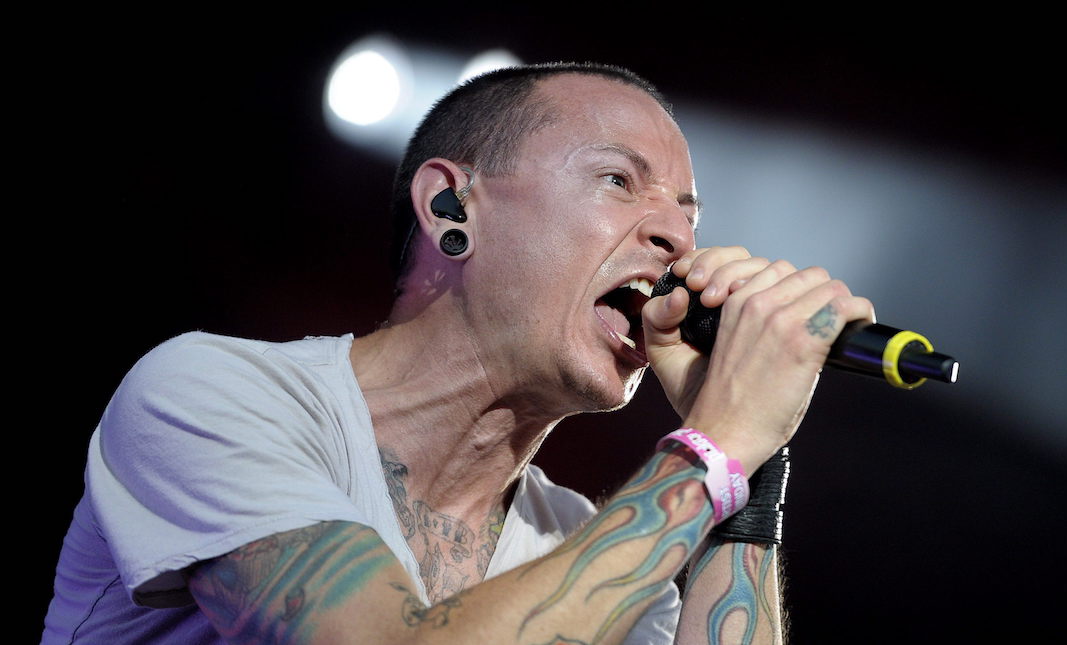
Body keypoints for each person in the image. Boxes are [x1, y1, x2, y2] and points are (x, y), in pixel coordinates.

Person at [43, 62, 874, 644]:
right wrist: (711, 447)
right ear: (451, 205)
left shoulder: (586, 546)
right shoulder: (213, 396)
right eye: (619, 181)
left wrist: (748, 473)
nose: (676, 238)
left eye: (689, 213)